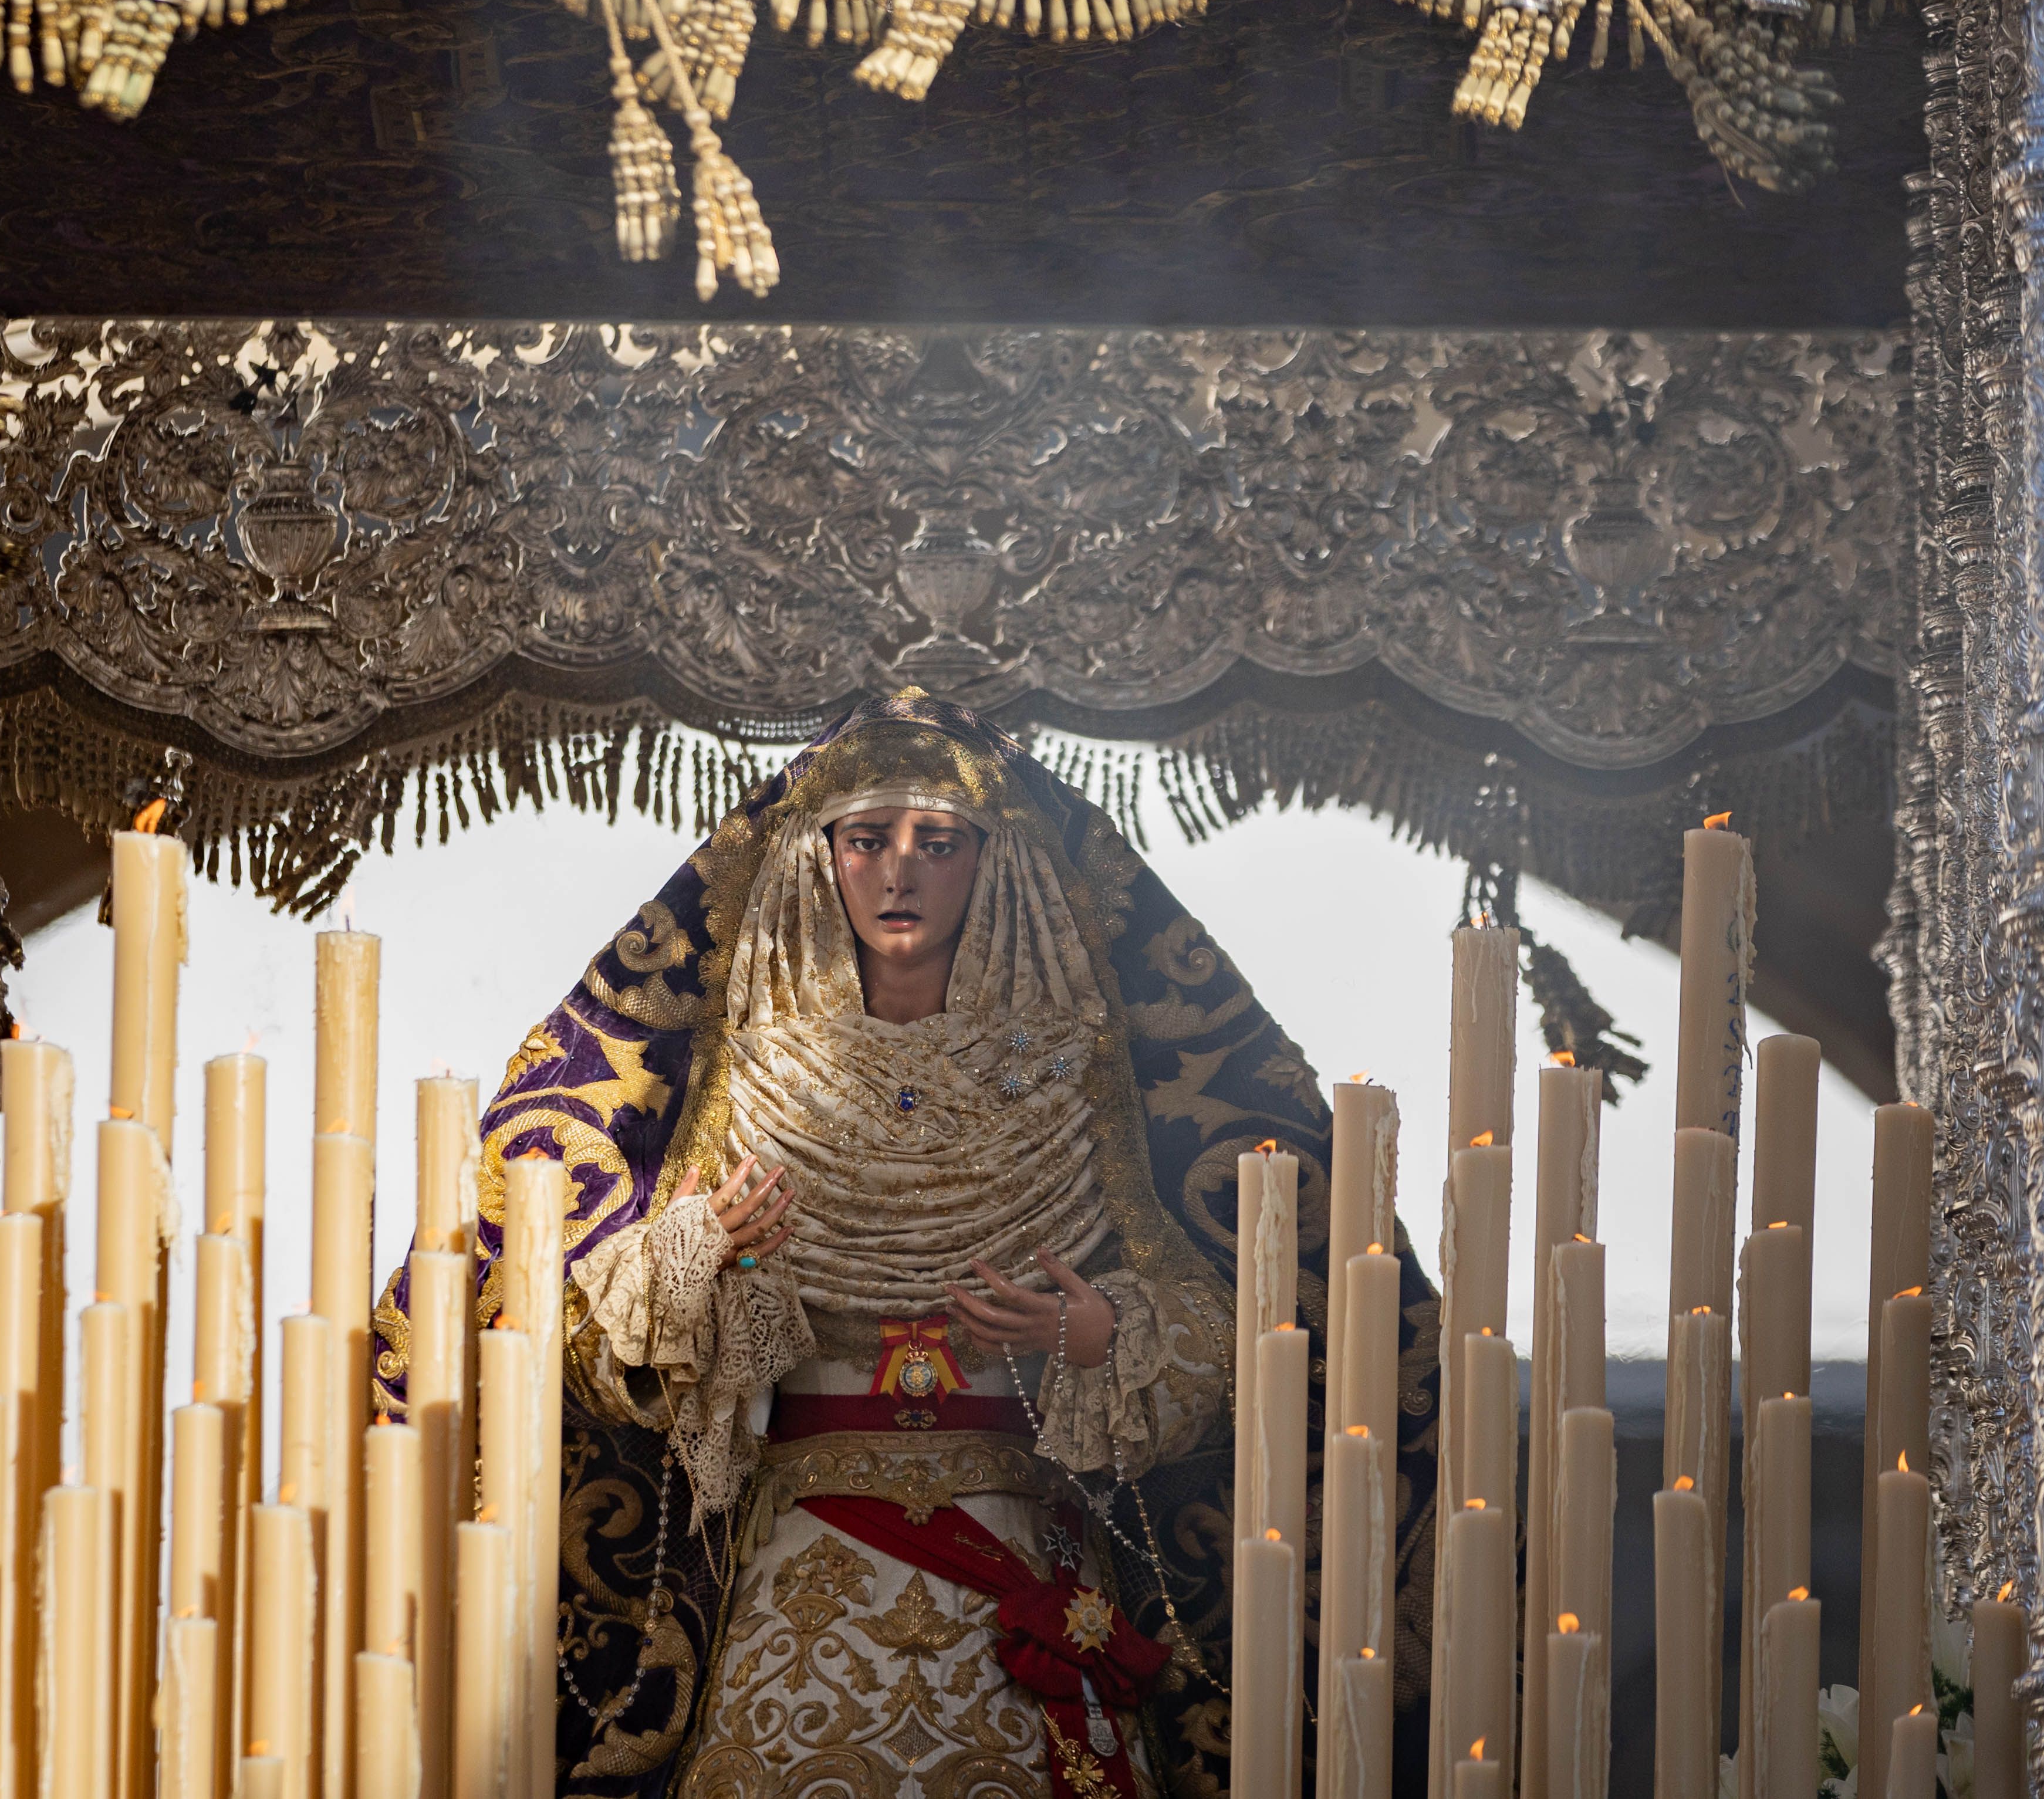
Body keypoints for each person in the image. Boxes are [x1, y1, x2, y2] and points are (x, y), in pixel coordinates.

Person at [371, 689, 1441, 1799]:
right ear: (817, 858)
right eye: (868, 841)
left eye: (940, 843)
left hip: (1020, 1543)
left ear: (991, 862)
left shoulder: (1069, 1082)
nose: (900, 874)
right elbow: (590, 1341)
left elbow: (1223, 1345)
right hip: (802, 1555)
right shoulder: (751, 1085)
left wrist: (1098, 1330)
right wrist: (694, 1254)